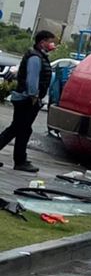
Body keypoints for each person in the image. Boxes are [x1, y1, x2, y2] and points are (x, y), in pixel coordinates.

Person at [0, 30, 56, 172]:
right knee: (18, 129)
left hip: (26, 98)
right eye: (50, 41)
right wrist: (34, 96)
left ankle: (20, 160)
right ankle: (20, 161)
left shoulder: (37, 55)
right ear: (42, 42)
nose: (53, 44)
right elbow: (32, 79)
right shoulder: (35, 58)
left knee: (22, 129)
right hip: (27, 99)